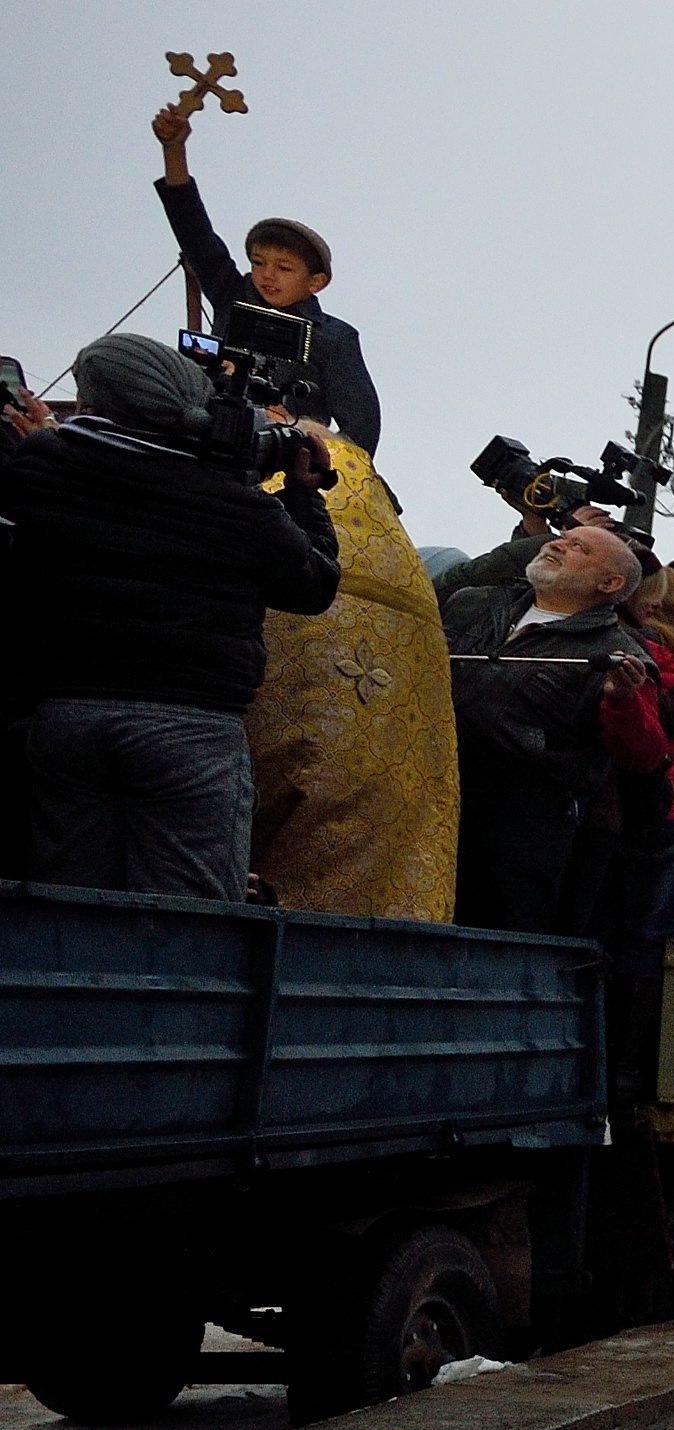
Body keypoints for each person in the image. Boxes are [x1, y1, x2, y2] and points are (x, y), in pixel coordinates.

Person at [1, 334, 339, 899]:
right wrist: (304, 494)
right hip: (190, 728)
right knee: (186, 930)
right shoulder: (235, 501)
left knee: (67, 914)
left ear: (93, 403)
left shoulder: (45, 468)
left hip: (68, 720)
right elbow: (313, 584)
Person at [434, 517, 657, 934]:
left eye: (580, 549)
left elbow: (643, 756)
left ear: (608, 584)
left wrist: (622, 702)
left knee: (492, 942)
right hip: (428, 787)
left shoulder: (622, 654)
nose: (558, 545)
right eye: (562, 538)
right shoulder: (474, 601)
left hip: (518, 825)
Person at [150, 101, 378, 450]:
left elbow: (361, 431)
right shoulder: (233, 293)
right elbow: (195, 233)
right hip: (206, 437)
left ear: (316, 282)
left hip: (283, 459)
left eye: (284, 268)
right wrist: (173, 150)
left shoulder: (335, 339)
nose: (267, 276)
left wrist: (296, 429)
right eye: (259, 262)